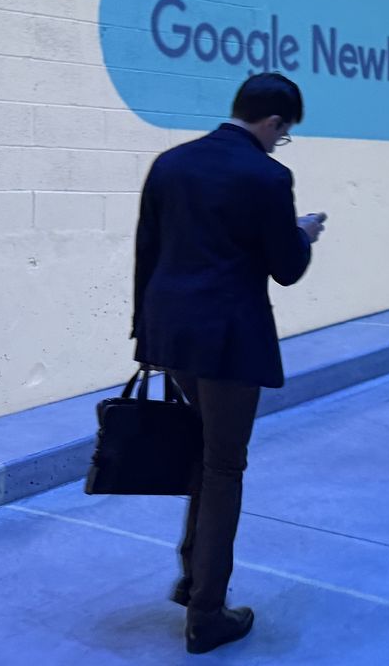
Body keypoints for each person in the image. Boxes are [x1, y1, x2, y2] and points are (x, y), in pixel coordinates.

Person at [131, 72, 326, 655]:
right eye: (282, 134)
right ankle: (207, 613)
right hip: (228, 342)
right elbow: (285, 268)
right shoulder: (268, 175)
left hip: (172, 334)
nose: (279, 143)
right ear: (273, 123)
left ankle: (194, 579)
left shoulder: (170, 163)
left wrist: (146, 336)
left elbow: (147, 251)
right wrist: (303, 233)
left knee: (205, 454)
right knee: (223, 466)